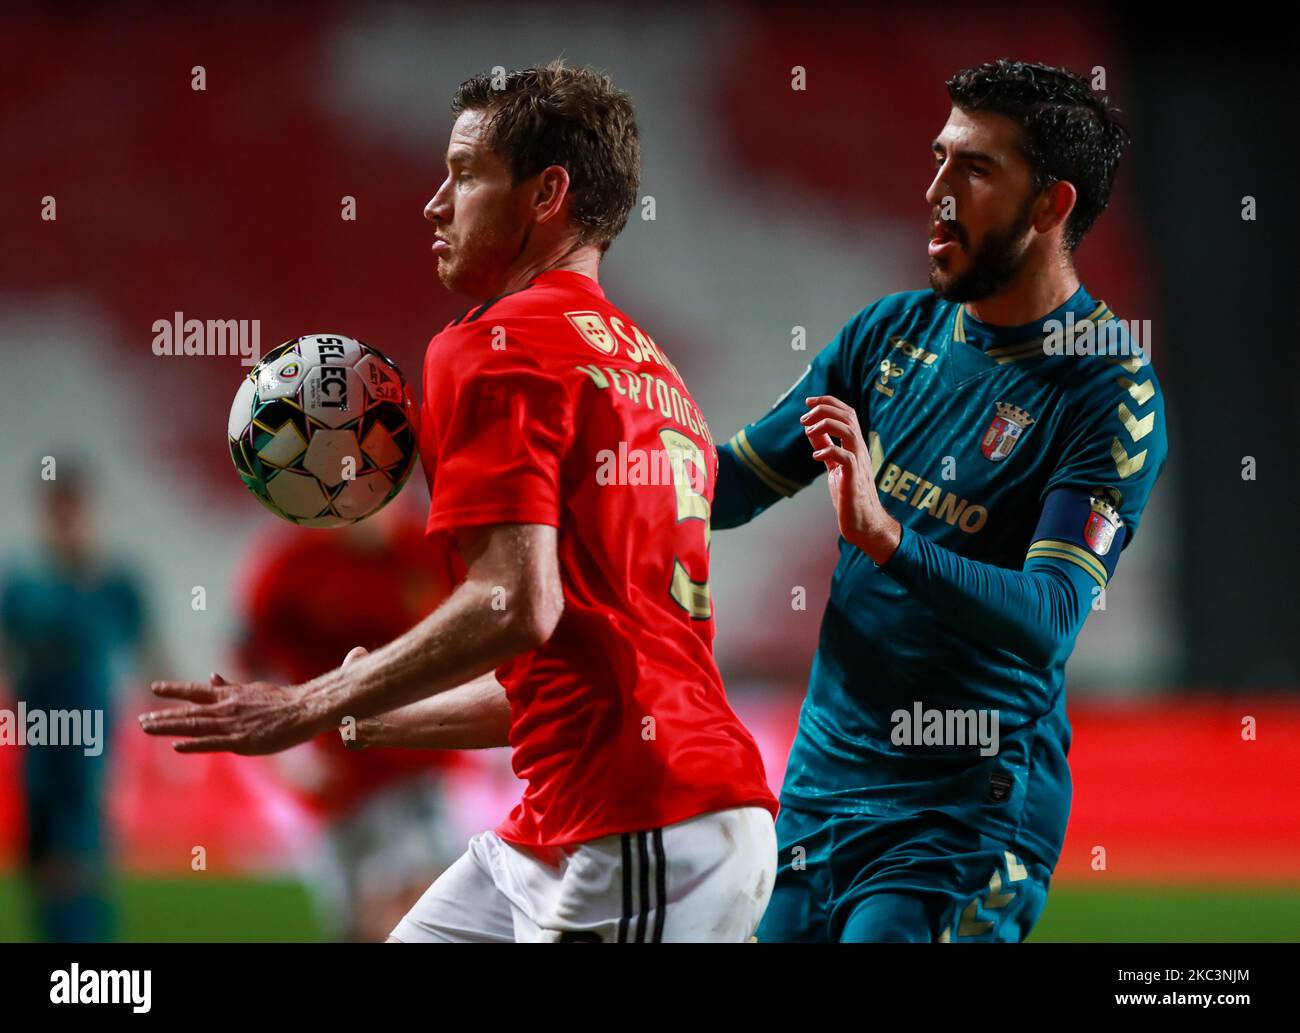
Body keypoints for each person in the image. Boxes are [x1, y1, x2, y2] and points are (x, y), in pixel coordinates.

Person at [141, 61, 778, 943]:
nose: (435, 203)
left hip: (639, 822)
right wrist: (361, 716)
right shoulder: (651, 370)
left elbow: (514, 602)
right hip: (589, 819)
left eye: (466, 173)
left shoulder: (494, 345)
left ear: (545, 193)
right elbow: (555, 672)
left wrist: (313, 700)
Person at [711, 59, 1169, 941]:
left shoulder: (1106, 387)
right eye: (938, 158)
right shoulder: (889, 334)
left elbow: (1049, 616)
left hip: (967, 808)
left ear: (1050, 205)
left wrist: (888, 539)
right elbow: (730, 485)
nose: (936, 191)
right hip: (820, 791)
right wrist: (608, 448)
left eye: (975, 168)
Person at [231, 499, 463, 942]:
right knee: (355, 926)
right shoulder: (292, 567)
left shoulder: (430, 552)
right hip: (342, 789)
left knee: (413, 913)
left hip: (422, 777)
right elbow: (246, 664)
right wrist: (287, 760)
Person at [1, 461, 164, 941]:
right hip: (38, 740)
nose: (66, 518)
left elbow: (150, 657)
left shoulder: (116, 585)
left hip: (90, 740)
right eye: (57, 508)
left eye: (73, 507)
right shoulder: (24, 587)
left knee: (81, 853)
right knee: (43, 858)